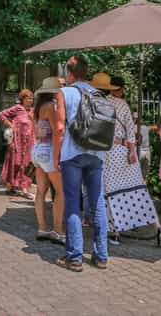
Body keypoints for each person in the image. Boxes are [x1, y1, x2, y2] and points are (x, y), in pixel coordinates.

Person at [91, 73, 161, 248]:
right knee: (137, 189)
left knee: (110, 192)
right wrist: (132, 150)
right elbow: (130, 130)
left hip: (107, 152)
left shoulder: (97, 105)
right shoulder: (123, 104)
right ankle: (157, 229)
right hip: (125, 151)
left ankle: (114, 232)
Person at [54, 55, 108, 272]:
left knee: (73, 203)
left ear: (69, 73)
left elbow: (59, 128)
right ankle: (101, 255)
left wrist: (58, 156)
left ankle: (75, 257)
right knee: (97, 202)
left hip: (72, 154)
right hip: (96, 153)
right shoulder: (99, 93)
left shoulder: (64, 93)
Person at [32, 77, 65, 244]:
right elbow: (57, 130)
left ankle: (42, 228)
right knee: (60, 191)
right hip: (48, 151)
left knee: (40, 191)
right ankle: (58, 230)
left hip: (37, 150)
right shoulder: (51, 107)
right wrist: (57, 156)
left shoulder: (37, 107)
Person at [0, 89, 35, 200]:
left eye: (32, 98)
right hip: (17, 142)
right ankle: (10, 187)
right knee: (14, 163)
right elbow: (1, 114)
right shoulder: (17, 109)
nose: (30, 100)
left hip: (29, 144)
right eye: (28, 98)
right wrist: (10, 125)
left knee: (27, 165)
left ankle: (24, 190)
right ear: (22, 99)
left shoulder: (33, 111)